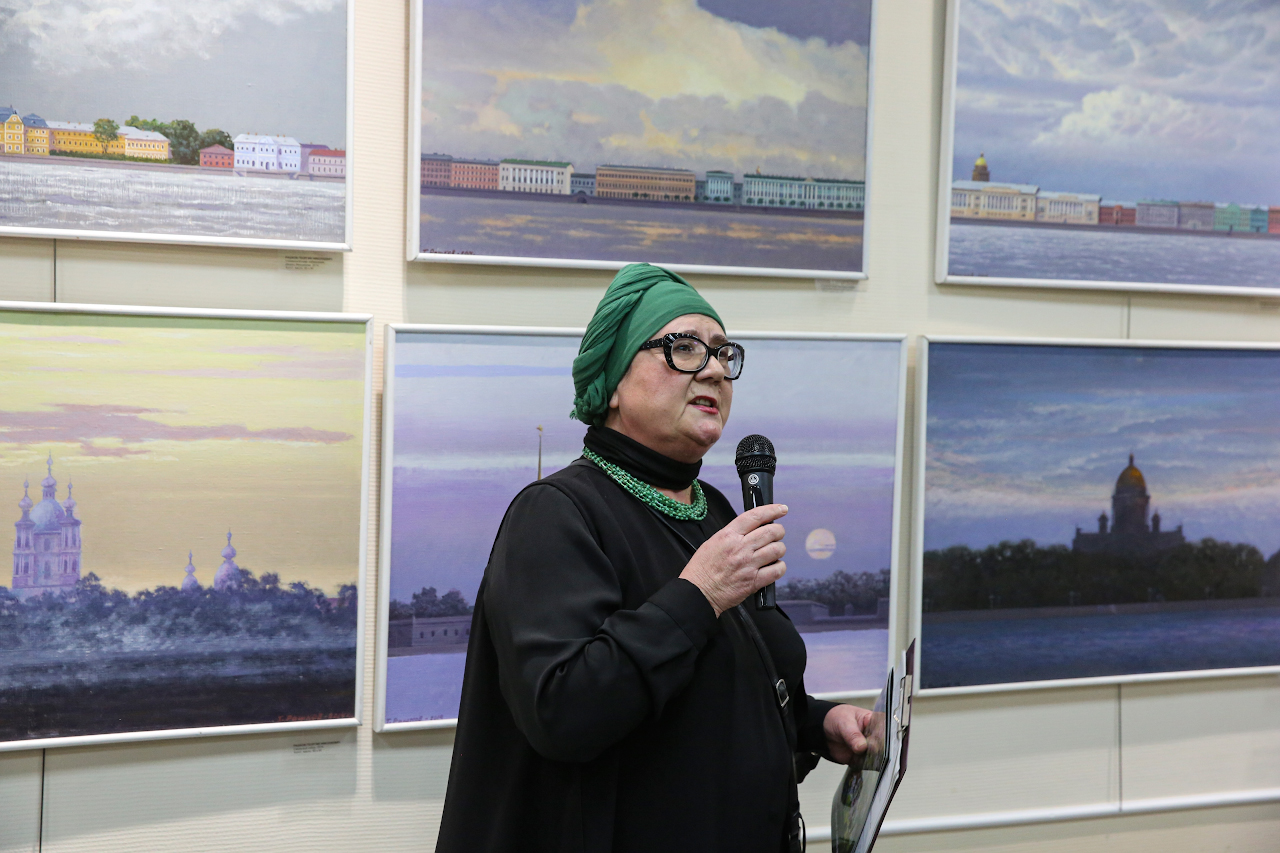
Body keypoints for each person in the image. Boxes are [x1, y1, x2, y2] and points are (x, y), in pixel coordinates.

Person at [436, 263, 873, 853]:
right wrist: (700, 595)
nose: (714, 369)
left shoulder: (715, 508)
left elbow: (721, 692)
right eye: (684, 348)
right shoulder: (554, 513)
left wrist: (816, 723)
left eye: (722, 352)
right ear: (614, 381)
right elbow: (564, 712)